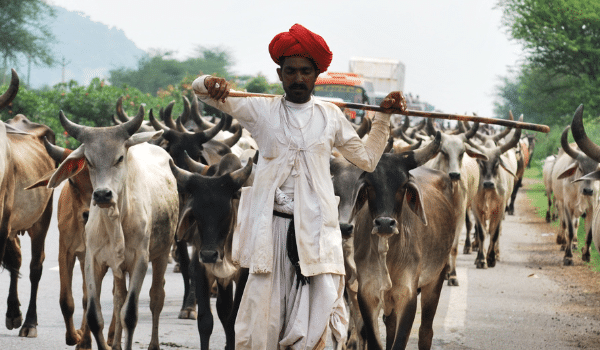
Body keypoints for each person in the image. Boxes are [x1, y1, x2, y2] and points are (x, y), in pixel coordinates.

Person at [192, 23, 406, 350]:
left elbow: (367, 160)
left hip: (317, 233)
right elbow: (202, 91)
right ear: (280, 74)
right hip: (271, 231)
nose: (298, 78)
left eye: (306, 71)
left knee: (318, 322)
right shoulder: (260, 110)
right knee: (263, 323)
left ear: (316, 75)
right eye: (290, 71)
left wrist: (384, 118)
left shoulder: (330, 116)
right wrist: (210, 82)